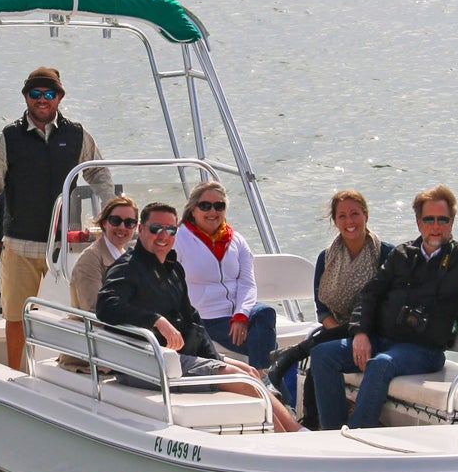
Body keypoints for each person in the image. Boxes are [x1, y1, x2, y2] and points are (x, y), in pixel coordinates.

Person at [309, 184, 458, 430]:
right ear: (418, 222)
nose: (435, 226)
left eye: (442, 220)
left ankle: (356, 435)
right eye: (429, 219)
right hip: (384, 339)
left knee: (380, 364)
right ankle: (332, 431)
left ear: (451, 222)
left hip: (423, 350)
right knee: (323, 355)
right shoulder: (402, 254)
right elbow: (371, 294)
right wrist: (360, 332)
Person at [96, 202, 304, 433]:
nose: (163, 235)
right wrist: (156, 320)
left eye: (171, 229)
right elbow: (107, 306)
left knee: (250, 372)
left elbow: (192, 319)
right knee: (240, 379)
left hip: (179, 356)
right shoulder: (126, 269)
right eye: (156, 228)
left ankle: (297, 433)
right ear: (142, 230)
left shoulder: (173, 269)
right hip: (147, 362)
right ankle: (286, 440)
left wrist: (213, 358)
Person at [0, 66, 115, 370]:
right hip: (20, 246)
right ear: (26, 97)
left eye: (49, 94)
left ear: (59, 97)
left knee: (79, 313)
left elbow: (99, 174)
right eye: (35, 94)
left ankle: (72, 369)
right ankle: (16, 372)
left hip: (67, 247)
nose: (42, 99)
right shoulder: (9, 137)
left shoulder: (77, 135)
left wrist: (110, 217)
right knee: (15, 316)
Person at [266, 189, 393, 425]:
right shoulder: (327, 258)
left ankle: (321, 420)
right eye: (342, 216)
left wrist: (355, 332)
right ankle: (316, 418)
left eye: (354, 214)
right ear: (335, 221)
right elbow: (322, 308)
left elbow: (386, 308)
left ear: (366, 215)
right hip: (340, 332)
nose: (349, 222)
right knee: (323, 349)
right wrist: (337, 332)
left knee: (322, 352)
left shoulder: (386, 255)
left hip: (375, 333)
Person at [172, 182, 278, 379]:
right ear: (193, 209)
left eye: (219, 206)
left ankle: (262, 379)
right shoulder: (179, 240)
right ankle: (268, 383)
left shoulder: (236, 240)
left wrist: (241, 315)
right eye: (205, 206)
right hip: (206, 318)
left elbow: (247, 283)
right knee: (270, 346)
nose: (212, 211)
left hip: (238, 316)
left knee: (265, 312)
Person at [69, 195, 139, 312]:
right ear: (104, 223)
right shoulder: (90, 259)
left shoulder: (126, 256)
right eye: (115, 221)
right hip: (101, 329)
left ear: (135, 227)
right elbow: (93, 309)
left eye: (129, 223)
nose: (122, 227)